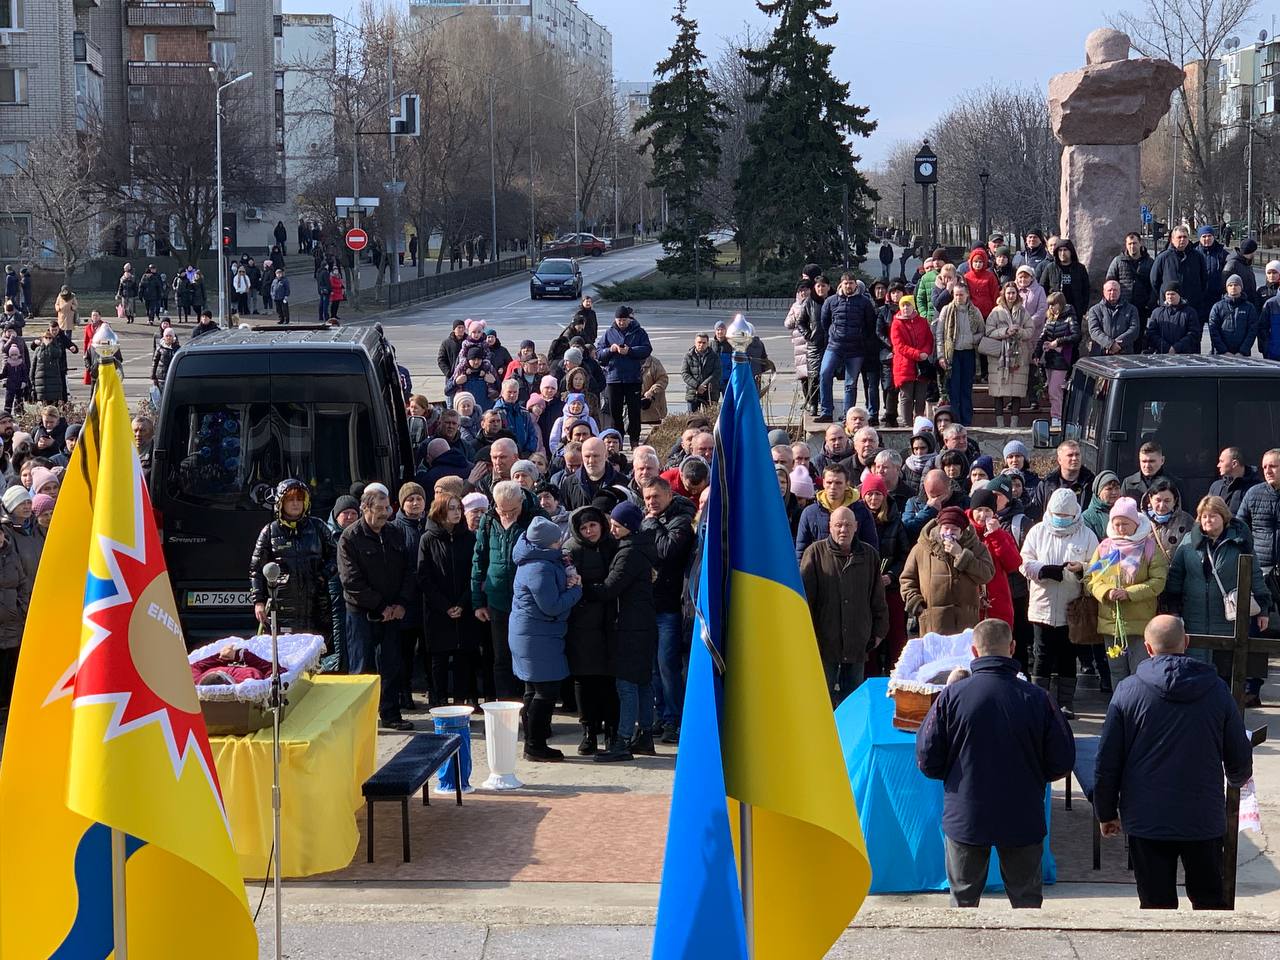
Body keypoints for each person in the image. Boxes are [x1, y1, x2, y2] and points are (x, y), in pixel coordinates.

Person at [1093, 615, 1251, 910]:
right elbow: (1239, 755)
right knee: (1209, 903)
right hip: (1202, 816)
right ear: (1186, 643)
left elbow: (1108, 759)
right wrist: (1238, 777)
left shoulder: (1128, 691)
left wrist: (1106, 811)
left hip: (1146, 817)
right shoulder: (1217, 690)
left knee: (1155, 906)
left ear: (1149, 648)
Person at [916, 618, 1074, 909]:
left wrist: (953, 779)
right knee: (1027, 906)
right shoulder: (1038, 698)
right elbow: (1062, 760)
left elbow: (927, 758)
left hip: (966, 814)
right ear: (1012, 648)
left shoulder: (950, 696)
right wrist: (1033, 777)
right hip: (1022, 814)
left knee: (963, 905)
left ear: (974, 652)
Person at [337, 486, 414, 730]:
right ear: (365, 508)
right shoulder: (350, 537)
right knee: (362, 668)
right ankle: (361, 721)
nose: (384, 514)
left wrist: (400, 603)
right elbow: (350, 580)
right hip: (362, 614)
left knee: (391, 665)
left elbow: (409, 571)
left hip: (393, 613)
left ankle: (390, 714)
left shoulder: (395, 533)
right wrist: (381, 606)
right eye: (379, 509)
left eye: (387, 508)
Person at [508, 516, 583, 762]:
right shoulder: (539, 567)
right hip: (537, 637)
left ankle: (533, 741)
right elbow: (551, 606)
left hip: (532, 635)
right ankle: (535, 744)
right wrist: (575, 591)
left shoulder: (535, 560)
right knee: (546, 691)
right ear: (548, 542)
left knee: (533, 688)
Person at [1020, 489, 1099, 718]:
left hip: (1072, 607)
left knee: (1067, 655)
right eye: (1057, 514)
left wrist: (1081, 569)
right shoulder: (1038, 531)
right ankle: (1039, 700)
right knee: (1041, 654)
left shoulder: (1086, 535)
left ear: (1074, 513)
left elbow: (1097, 566)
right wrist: (1043, 570)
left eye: (1065, 515)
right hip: (1041, 606)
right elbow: (1024, 562)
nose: (1060, 519)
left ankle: (1066, 702)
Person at [1167, 495, 1269, 668]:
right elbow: (1176, 576)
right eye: (1204, 516)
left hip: (1227, 618)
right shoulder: (1188, 542)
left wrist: (1263, 609)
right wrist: (1173, 608)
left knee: (1224, 669)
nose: (1208, 520)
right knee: (1194, 668)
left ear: (1224, 517)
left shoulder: (1240, 542)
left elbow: (1255, 574)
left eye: (1213, 515)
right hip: (1194, 615)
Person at [800, 504, 888, 704]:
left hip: (858, 640)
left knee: (853, 699)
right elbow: (806, 601)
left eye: (848, 525)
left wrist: (879, 632)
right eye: (838, 525)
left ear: (856, 527)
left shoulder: (869, 555)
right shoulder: (814, 553)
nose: (843, 530)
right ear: (830, 526)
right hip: (824, 641)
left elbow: (877, 598)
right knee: (822, 698)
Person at [598, 501, 659, 760]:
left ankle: (623, 740)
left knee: (626, 684)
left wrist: (582, 587)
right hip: (645, 624)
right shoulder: (644, 546)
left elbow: (611, 588)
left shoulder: (628, 553)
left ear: (629, 527)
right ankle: (645, 736)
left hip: (631, 627)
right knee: (643, 683)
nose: (612, 529)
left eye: (616, 525)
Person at [1083, 497, 1168, 682]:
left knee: (1140, 671)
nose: (1120, 529)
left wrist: (1129, 593)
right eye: (1117, 524)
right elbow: (1091, 578)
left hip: (1141, 622)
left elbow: (1158, 581)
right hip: (1112, 623)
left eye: (1125, 524)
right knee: (1116, 672)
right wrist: (1106, 592)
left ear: (1135, 523)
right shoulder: (1105, 547)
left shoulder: (1149, 547)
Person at [472, 480, 540, 700]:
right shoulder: (489, 520)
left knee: (527, 656)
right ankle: (506, 707)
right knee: (501, 657)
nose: (508, 515)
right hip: (498, 600)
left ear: (521, 502)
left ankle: (530, 710)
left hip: (527, 602)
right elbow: (479, 560)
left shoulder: (536, 518)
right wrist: (478, 602)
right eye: (503, 510)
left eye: (513, 510)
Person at [641, 477, 696, 742]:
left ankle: (673, 718)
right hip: (648, 605)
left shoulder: (681, 521)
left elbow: (665, 551)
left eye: (656, 497)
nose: (651, 503)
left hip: (670, 607)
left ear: (669, 496)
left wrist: (651, 523)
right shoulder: (648, 521)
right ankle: (660, 716)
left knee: (667, 666)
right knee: (652, 667)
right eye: (647, 498)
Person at [250, 477, 337, 642]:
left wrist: (323, 575)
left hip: (316, 606)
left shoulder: (318, 527)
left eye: (299, 499)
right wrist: (259, 602)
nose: (296, 503)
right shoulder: (269, 531)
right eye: (290, 499)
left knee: (316, 653)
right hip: (281, 609)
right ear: (280, 503)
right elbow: (256, 570)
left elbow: (337, 555)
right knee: (283, 655)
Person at [564, 504, 620, 757]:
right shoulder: (572, 551)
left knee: (609, 681)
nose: (589, 531)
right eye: (584, 527)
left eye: (593, 525)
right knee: (584, 680)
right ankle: (588, 731)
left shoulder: (612, 545)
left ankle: (611, 730)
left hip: (610, 622)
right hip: (581, 624)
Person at [417, 492, 482, 708]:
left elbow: (474, 572)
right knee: (439, 659)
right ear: (441, 512)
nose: (457, 512)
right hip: (438, 610)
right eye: (452, 508)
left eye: (458, 508)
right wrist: (445, 606)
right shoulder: (428, 539)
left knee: (464, 657)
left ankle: (461, 703)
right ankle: (441, 702)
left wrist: (462, 603)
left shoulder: (469, 538)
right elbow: (424, 577)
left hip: (464, 607)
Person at [901, 505, 996, 634]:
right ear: (939, 528)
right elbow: (907, 579)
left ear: (962, 531)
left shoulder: (977, 547)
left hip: (966, 625)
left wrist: (960, 555)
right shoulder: (922, 548)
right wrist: (917, 605)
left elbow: (987, 575)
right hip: (933, 624)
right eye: (946, 528)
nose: (949, 533)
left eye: (954, 530)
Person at [1236, 447, 1280, 705]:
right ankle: (1251, 689)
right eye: (1264, 467)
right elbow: (1241, 525)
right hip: (1260, 571)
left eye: (1273, 466)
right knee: (1254, 631)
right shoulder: (1254, 493)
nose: (1268, 471)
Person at [816, 272, 876, 423]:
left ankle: (847, 416)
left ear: (856, 284)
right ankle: (826, 411)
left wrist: (861, 337)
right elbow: (825, 322)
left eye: (851, 283)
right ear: (840, 285)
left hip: (856, 349)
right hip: (835, 346)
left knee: (850, 383)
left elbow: (870, 324)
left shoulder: (864, 302)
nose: (848, 286)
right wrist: (833, 334)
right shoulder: (831, 301)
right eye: (846, 283)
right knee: (824, 374)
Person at [794, 463, 878, 563]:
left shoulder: (861, 511)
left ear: (847, 484)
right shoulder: (810, 513)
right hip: (819, 571)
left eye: (838, 483)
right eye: (829, 482)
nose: (833, 487)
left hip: (853, 569)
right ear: (823, 483)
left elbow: (871, 548)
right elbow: (801, 551)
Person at [596, 305, 652, 448]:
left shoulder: (639, 332)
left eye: (624, 320)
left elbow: (646, 349)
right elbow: (599, 354)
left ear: (629, 319)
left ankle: (634, 441)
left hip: (633, 378)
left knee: (634, 412)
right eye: (619, 320)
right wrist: (611, 349)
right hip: (614, 378)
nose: (621, 322)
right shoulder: (609, 333)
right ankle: (617, 442)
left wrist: (630, 351)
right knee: (615, 413)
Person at [984, 281, 1034, 427]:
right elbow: (989, 331)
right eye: (1008, 293)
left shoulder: (1023, 312)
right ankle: (999, 423)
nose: (1011, 296)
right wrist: (1005, 331)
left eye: (1013, 293)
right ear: (1004, 294)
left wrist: (1019, 331)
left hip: (1018, 353)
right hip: (1000, 355)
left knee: (1016, 390)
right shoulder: (996, 312)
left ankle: (1014, 423)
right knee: (998, 390)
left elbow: (1030, 330)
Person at [937, 282, 983, 426]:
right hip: (952, 355)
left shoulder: (975, 311)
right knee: (953, 390)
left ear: (967, 295)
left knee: (966, 390)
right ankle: (955, 421)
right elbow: (940, 333)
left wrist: (971, 339)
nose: (958, 297)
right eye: (956, 294)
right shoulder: (947, 310)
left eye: (961, 294)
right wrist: (941, 355)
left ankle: (967, 422)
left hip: (968, 353)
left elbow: (982, 331)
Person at [1150, 226, 1208, 326]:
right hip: (1169, 309)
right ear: (1172, 239)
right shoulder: (1163, 257)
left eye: (1185, 237)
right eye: (1179, 237)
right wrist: (1164, 294)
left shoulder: (1197, 256)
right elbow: (1154, 281)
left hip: (1193, 307)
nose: (1182, 240)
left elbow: (1204, 280)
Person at [890, 294, 934, 425]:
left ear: (913, 306)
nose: (905, 308)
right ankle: (907, 424)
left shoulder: (922, 321)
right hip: (904, 365)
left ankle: (919, 423)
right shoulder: (896, 323)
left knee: (920, 398)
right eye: (903, 305)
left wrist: (925, 352)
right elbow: (899, 346)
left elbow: (928, 339)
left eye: (908, 305)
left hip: (921, 366)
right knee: (906, 397)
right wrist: (917, 354)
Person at [1032, 440, 1095, 521]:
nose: (1075, 458)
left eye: (1077, 454)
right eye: (1070, 455)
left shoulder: (1091, 483)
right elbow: (1036, 515)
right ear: (1059, 460)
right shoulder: (1046, 485)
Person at [1105, 232, 1156, 321]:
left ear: (1140, 243)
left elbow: (1154, 284)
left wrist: (1150, 302)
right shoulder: (1118, 261)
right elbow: (1110, 281)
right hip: (1122, 306)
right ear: (1126, 245)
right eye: (1129, 244)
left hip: (1142, 307)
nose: (1132, 246)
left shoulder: (1150, 262)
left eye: (1135, 243)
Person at [1207, 274, 1260, 356]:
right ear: (1226, 288)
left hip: (1242, 355)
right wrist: (1223, 351)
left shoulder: (1249, 308)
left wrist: (1242, 351)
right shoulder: (1217, 307)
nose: (1233, 287)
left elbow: (1252, 331)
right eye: (1230, 285)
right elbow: (1213, 330)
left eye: (1236, 285)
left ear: (1241, 287)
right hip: (1221, 354)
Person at [1086, 279, 1141, 357]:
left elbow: (1134, 329)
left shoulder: (1131, 309)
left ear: (1120, 291)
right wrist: (1110, 344)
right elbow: (1094, 331)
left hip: (1125, 353)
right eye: (1109, 290)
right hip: (1101, 354)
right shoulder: (1094, 310)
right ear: (1104, 292)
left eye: (1115, 290)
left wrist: (1117, 345)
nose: (1112, 293)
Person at [1039, 238, 1091, 321]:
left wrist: (1083, 309)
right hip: (1054, 311)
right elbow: (1042, 288)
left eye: (1065, 250)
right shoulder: (1050, 268)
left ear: (1071, 252)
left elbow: (1086, 290)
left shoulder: (1080, 268)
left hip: (1075, 310)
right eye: (1060, 250)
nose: (1062, 253)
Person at [1144, 282, 1200, 354]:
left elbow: (1193, 333)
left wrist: (1176, 348)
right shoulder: (1157, 312)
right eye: (1168, 294)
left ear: (1179, 295)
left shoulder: (1190, 312)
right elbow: (1151, 333)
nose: (1170, 297)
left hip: (1184, 354)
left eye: (1173, 294)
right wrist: (1165, 347)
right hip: (1161, 354)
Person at [1209, 446, 1262, 514]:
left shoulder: (1256, 488)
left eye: (1221, 461)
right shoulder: (1216, 486)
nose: (1218, 465)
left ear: (1234, 463)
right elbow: (1206, 511)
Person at [1194, 224, 1229, 315]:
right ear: (1199, 238)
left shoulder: (1222, 253)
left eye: (1209, 236)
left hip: (1217, 298)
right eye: (1204, 236)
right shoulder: (1193, 253)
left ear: (1214, 237)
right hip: (1198, 298)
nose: (1207, 239)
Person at [639, 353, 668, 425]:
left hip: (653, 410)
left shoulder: (654, 363)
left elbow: (663, 379)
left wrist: (651, 391)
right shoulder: (628, 361)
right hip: (633, 413)